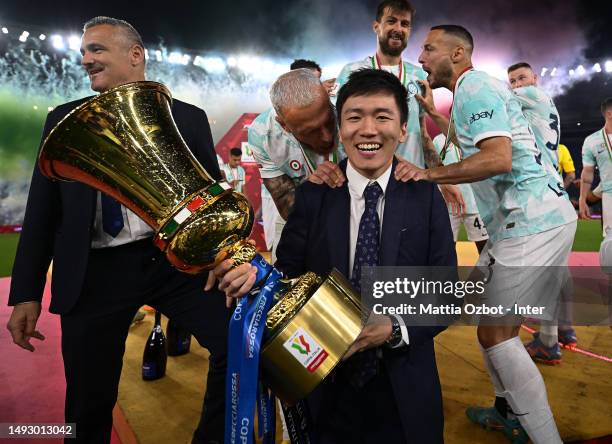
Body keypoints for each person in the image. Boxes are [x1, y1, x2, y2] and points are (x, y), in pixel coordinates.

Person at [5, 17, 229, 444]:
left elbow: (208, 201)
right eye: (84, 52)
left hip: (171, 265)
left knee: (237, 346)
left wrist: (219, 255)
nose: (86, 59)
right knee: (88, 403)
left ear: (135, 55)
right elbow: (42, 213)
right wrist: (26, 293)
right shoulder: (61, 120)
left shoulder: (189, 119)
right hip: (94, 273)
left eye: (96, 50)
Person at [215, 68, 456, 444]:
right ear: (342, 129)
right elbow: (287, 274)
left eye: (382, 117)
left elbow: (445, 291)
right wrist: (254, 275)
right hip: (324, 384)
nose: (368, 129)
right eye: (355, 118)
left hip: (405, 386)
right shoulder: (312, 196)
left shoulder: (424, 197)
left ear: (403, 130)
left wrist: (393, 328)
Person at [409, 25, 577, 443]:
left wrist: (429, 173)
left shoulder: (475, 87)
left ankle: (543, 435)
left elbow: (498, 158)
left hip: (530, 221)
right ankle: (507, 409)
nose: (422, 57)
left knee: (495, 332)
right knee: (489, 318)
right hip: (537, 218)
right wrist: (434, 116)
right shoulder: (476, 89)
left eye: (429, 48)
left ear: (459, 53)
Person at [325, 0, 465, 214]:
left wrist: (443, 178)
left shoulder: (419, 76)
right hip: (362, 185)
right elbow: (337, 131)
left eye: (405, 24)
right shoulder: (351, 72)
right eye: (391, 21)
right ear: (376, 26)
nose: (398, 28)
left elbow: (423, 136)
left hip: (409, 183)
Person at [508, 61, 578, 361]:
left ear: (535, 79)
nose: (516, 84)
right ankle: (566, 328)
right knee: (559, 271)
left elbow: (496, 98)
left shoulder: (534, 96)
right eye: (511, 80)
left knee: (546, 273)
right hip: (554, 193)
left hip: (541, 197)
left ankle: (548, 342)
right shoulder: (534, 106)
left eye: (521, 78)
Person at [432, 133, 488, 252]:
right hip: (449, 205)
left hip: (475, 204)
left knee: (484, 250)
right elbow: (433, 166)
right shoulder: (438, 140)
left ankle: (489, 271)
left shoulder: (474, 137)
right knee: (445, 249)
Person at [579, 97, 612, 237]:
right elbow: (587, 174)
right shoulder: (592, 141)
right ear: (610, 113)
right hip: (609, 196)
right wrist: (582, 199)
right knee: (610, 244)